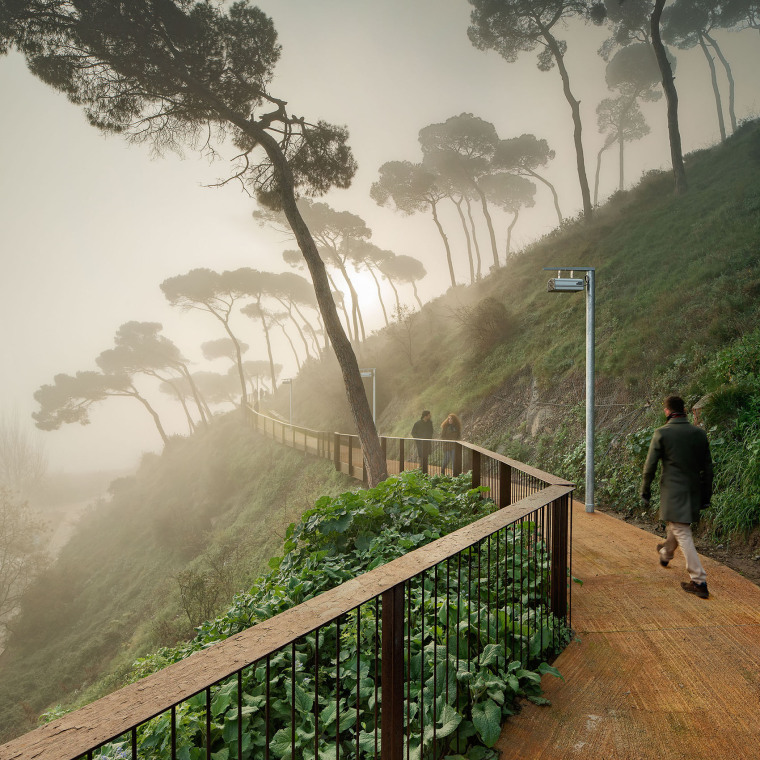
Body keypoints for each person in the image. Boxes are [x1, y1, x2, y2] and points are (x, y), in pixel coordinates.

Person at [640, 395, 713, 599]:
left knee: (681, 529)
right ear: (685, 411)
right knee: (678, 526)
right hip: (693, 490)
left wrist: (645, 490)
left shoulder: (662, 433)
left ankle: (699, 581)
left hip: (673, 492)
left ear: (667, 411)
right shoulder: (699, 434)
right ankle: (666, 553)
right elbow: (708, 469)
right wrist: (706, 495)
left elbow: (650, 466)